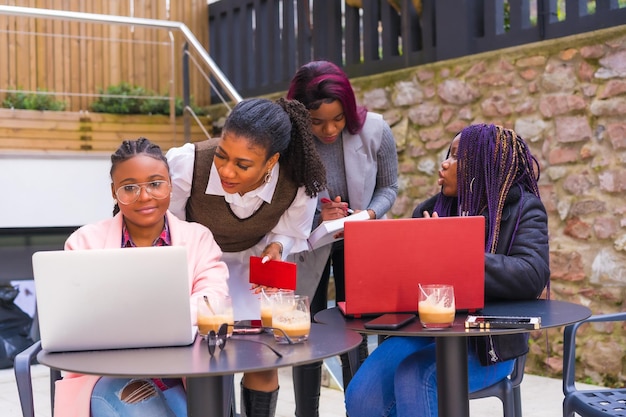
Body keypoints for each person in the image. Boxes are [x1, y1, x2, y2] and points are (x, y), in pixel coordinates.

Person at [344, 123, 551, 417]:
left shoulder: (523, 210)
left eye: (456, 157)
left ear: (483, 164)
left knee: (417, 378)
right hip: (425, 332)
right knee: (362, 395)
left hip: (487, 343)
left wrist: (450, 250)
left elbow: (531, 274)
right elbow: (406, 277)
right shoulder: (429, 210)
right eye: (447, 155)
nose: (444, 163)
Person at [166, 97, 327, 417]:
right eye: (222, 156)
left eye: (242, 165)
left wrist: (277, 247)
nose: (226, 170)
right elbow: (170, 228)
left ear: (271, 161)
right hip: (199, 269)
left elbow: (290, 232)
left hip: (254, 271)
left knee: (262, 361)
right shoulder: (188, 163)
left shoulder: (297, 181)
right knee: (209, 358)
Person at [53, 137, 229, 417]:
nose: (144, 196)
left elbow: (213, 297)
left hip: (179, 377)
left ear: (170, 185)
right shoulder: (83, 243)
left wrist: (145, 319)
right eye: (130, 187)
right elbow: (77, 321)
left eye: (155, 184)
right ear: (114, 192)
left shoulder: (198, 238)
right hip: (107, 377)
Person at [285, 59, 399, 413]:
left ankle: (360, 408)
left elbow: (389, 186)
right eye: (317, 122)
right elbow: (280, 196)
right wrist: (320, 214)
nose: (329, 129)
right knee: (305, 330)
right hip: (307, 242)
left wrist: (369, 213)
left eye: (338, 119)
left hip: (359, 240)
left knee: (355, 331)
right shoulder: (289, 139)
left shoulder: (375, 130)